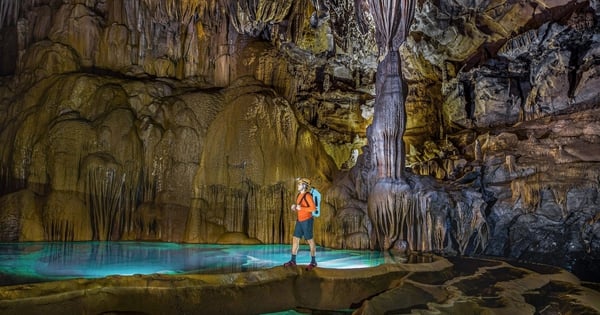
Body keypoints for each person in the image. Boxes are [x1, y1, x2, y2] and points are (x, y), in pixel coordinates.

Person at [284, 177, 317, 270]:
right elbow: (299, 208)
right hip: (299, 220)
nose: (298, 186)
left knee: (310, 241)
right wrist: (295, 208)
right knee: (295, 239)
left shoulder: (308, 196)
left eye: (299, 184)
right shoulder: (299, 195)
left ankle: (313, 262)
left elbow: (313, 209)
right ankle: (293, 260)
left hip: (307, 221)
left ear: (304, 185)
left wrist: (300, 208)